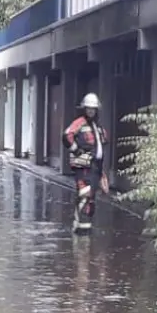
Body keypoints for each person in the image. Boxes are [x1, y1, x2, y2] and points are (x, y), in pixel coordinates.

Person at [63, 93, 109, 233]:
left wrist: (101, 172)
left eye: (93, 109)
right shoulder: (79, 122)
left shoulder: (98, 126)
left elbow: (103, 142)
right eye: (88, 108)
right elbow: (67, 135)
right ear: (84, 108)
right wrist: (76, 150)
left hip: (95, 167)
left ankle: (85, 228)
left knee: (91, 198)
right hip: (83, 167)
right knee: (85, 194)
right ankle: (79, 228)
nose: (91, 111)